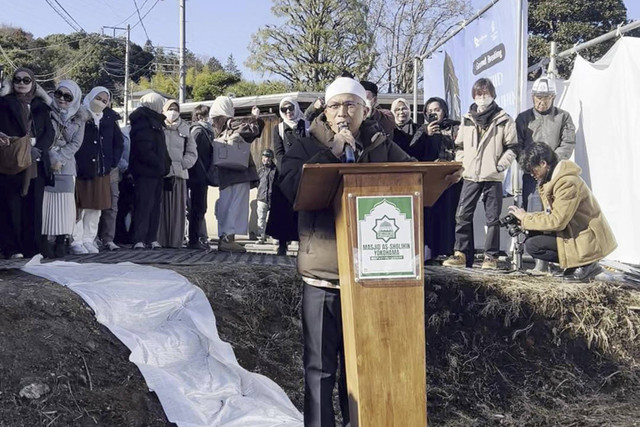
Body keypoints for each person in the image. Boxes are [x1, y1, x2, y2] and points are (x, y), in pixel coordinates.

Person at [278, 77, 415, 427]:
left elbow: (412, 175)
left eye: (350, 105)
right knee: (319, 369)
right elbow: (290, 185)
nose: (343, 112)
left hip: (370, 279)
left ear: (364, 110)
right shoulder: (306, 145)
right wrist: (334, 153)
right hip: (323, 276)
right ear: (325, 110)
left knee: (362, 368)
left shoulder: (379, 143)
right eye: (336, 105)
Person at [508, 142, 616, 282]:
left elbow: (557, 221)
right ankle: (575, 264)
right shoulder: (553, 180)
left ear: (543, 163)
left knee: (533, 245)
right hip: (575, 233)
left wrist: (526, 220)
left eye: (532, 169)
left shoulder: (567, 183)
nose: (531, 174)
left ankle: (587, 264)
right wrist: (525, 218)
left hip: (587, 239)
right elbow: (551, 214)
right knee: (533, 236)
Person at [442, 78, 517, 269]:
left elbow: (513, 147)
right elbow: (459, 145)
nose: (482, 97)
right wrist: (464, 162)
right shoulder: (467, 119)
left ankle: (490, 257)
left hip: (492, 176)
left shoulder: (504, 119)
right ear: (473, 96)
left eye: (485, 93)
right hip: (470, 175)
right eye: (478, 94)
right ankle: (461, 254)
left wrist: (500, 166)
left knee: (492, 218)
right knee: (462, 215)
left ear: (493, 95)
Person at [516, 76, 576, 273]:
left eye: (547, 98)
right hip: (531, 176)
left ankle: (562, 257)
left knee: (555, 213)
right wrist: (529, 165)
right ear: (532, 97)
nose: (542, 102)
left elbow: (568, 142)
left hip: (554, 175)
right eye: (538, 98)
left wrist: (551, 162)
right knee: (533, 214)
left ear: (554, 97)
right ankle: (539, 261)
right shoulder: (524, 118)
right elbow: (517, 146)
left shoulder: (563, 117)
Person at [0, 67, 55, 259]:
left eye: (26, 80)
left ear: (33, 83)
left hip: (36, 161)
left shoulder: (41, 106)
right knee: (11, 205)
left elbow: (50, 132)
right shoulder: (4, 103)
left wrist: (37, 147)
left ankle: (33, 246)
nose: (21, 84)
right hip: (12, 161)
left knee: (34, 205)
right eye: (17, 80)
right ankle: (12, 247)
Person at [70, 87, 123, 254]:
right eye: (98, 98)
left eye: (104, 100)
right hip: (82, 167)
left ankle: (89, 238)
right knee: (81, 206)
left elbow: (118, 143)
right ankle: (76, 240)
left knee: (96, 207)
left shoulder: (109, 119)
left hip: (102, 169)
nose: (100, 101)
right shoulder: (80, 115)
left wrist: (111, 162)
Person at [409, 97, 462, 261]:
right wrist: (427, 135)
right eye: (430, 111)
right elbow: (413, 151)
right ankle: (432, 255)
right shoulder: (423, 130)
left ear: (444, 110)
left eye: (437, 110)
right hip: (432, 179)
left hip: (453, 177)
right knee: (432, 216)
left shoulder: (455, 127)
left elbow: (463, 148)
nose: (433, 114)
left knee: (452, 215)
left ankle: (452, 252)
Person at [209, 96, 263, 253]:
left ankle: (223, 238)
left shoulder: (213, 125)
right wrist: (255, 117)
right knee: (236, 205)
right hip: (238, 171)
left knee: (225, 205)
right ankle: (229, 239)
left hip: (223, 171)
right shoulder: (231, 123)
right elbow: (253, 131)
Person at [45, 80, 87, 257]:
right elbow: (42, 135)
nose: (62, 99)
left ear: (74, 98)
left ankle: (62, 240)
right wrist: (51, 157)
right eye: (59, 94)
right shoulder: (46, 111)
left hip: (67, 165)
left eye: (67, 96)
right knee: (47, 205)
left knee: (65, 206)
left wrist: (60, 157)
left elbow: (76, 143)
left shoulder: (80, 116)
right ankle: (47, 239)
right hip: (46, 163)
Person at [129, 92, 170, 250]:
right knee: (143, 205)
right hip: (145, 171)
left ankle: (152, 237)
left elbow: (162, 148)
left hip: (157, 171)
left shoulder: (156, 122)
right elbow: (143, 148)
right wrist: (159, 164)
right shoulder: (142, 121)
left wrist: (165, 164)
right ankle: (139, 238)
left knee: (154, 206)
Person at [267, 97, 307, 255]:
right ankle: (282, 243)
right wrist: (288, 170)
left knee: (303, 210)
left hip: (304, 172)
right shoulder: (279, 128)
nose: (288, 112)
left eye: (291, 108)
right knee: (283, 209)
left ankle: (302, 245)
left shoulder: (306, 125)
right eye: (284, 110)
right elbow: (278, 152)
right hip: (285, 174)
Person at [158, 99, 197, 248]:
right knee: (161, 209)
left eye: (175, 109)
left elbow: (192, 152)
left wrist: (182, 165)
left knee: (178, 210)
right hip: (161, 174)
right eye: (170, 108)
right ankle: (159, 239)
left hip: (180, 175)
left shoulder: (186, 128)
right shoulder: (159, 127)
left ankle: (175, 241)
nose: (172, 112)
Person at [187, 104, 215, 250]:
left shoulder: (207, 131)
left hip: (201, 176)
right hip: (196, 176)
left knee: (200, 208)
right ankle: (193, 240)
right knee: (197, 208)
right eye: (207, 114)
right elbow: (192, 153)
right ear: (199, 116)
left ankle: (196, 238)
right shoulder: (198, 131)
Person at [256, 149, 276, 244]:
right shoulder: (259, 171)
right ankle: (261, 237)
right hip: (262, 198)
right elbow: (256, 183)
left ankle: (274, 237)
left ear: (271, 158)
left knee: (273, 218)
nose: (266, 159)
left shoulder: (276, 171)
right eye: (264, 157)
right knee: (261, 218)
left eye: (268, 157)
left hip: (273, 198)